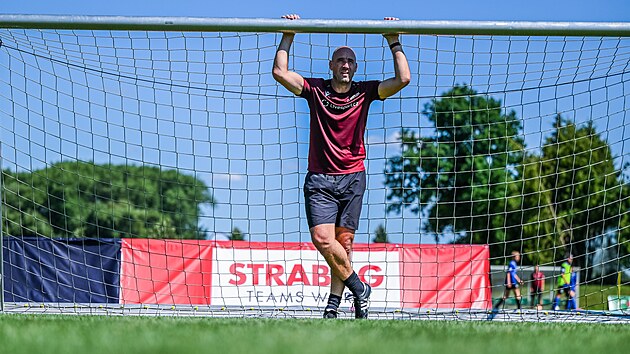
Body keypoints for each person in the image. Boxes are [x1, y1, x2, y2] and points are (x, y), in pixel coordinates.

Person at [272, 14, 411, 319]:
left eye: (350, 61)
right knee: (323, 239)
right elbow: (279, 72)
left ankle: (333, 307)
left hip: (352, 177)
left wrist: (393, 40)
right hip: (320, 179)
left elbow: (403, 79)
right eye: (340, 60)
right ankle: (359, 288)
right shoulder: (316, 90)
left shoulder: (365, 92)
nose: (345, 65)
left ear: (356, 68)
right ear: (331, 66)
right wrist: (288, 34)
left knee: (343, 245)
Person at [490, 251, 523, 317]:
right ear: (514, 257)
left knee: (510, 295)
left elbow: (513, 273)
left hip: (513, 281)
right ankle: (519, 308)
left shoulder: (514, 264)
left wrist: (519, 280)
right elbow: (508, 273)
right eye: (518, 256)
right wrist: (508, 282)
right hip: (511, 282)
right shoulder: (512, 263)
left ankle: (497, 306)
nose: (519, 257)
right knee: (516, 295)